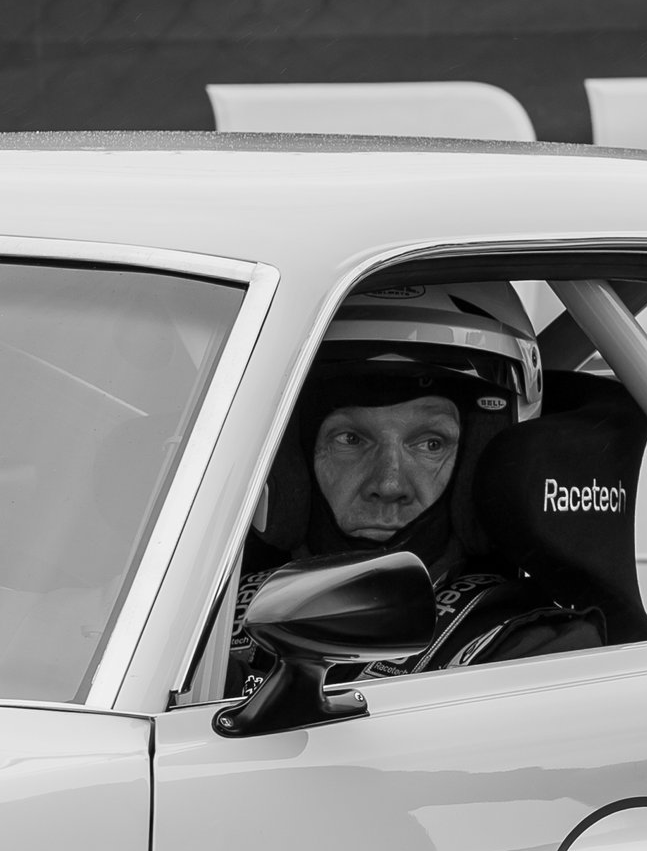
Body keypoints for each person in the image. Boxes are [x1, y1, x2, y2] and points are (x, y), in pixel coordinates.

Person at [226, 283, 546, 687]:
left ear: (478, 465)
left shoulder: (522, 649)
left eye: (431, 444)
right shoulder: (200, 618)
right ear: (291, 461)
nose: (390, 484)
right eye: (350, 440)